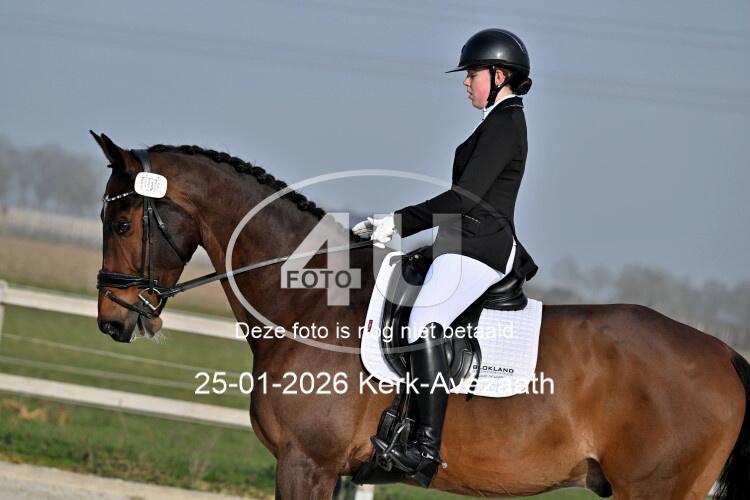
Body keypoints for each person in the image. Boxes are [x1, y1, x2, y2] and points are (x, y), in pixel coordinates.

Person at [353, 28, 538, 484]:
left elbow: (464, 199)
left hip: (481, 246)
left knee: (424, 321)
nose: (466, 82)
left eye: (472, 73)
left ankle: (425, 449)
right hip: (461, 242)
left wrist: (399, 222)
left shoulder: (505, 124)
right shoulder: (497, 121)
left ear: (499, 75)